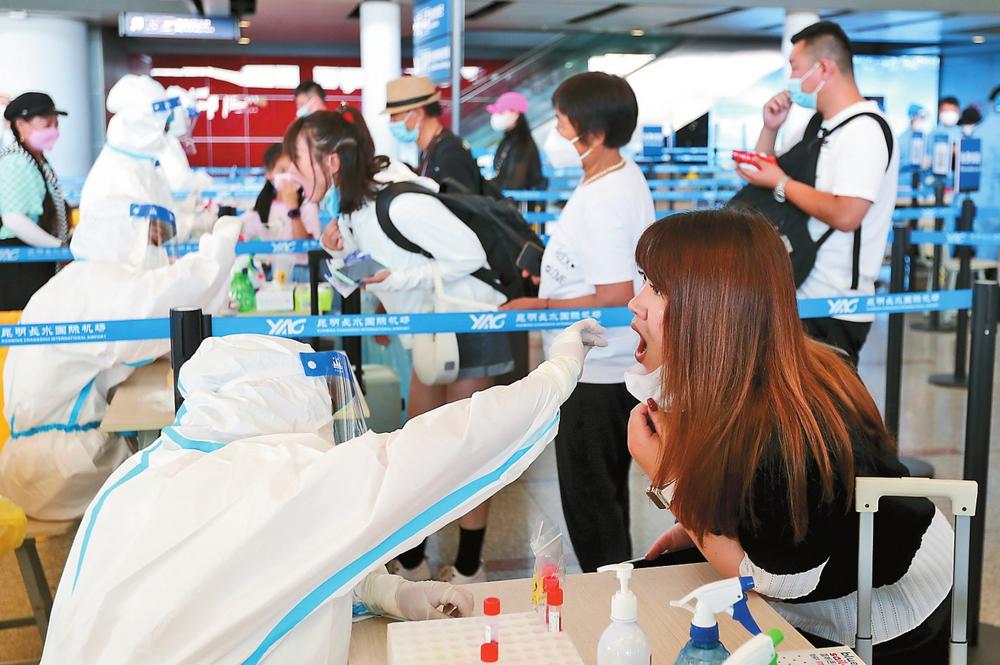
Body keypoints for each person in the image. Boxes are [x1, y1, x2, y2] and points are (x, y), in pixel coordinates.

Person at [42, 321, 606, 664]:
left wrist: (388, 593)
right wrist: (557, 372)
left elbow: (249, 581)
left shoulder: (140, 474)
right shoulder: (278, 478)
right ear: (289, 403)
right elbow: (449, 442)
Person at [627, 209, 953, 665]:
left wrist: (671, 483)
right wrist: (702, 522)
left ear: (713, 307)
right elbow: (774, 509)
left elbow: (773, 581)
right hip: (842, 562)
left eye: (657, 288)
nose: (635, 302)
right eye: (644, 280)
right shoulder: (747, 379)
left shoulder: (781, 434)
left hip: (890, 609)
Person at [285, 106, 515, 584]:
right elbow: (363, 276)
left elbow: (469, 255)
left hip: (468, 322)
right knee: (419, 445)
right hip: (429, 331)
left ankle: (468, 566)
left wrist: (397, 280)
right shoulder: (350, 206)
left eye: (299, 160)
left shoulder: (400, 201)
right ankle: (413, 558)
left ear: (331, 161)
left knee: (466, 449)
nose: (293, 173)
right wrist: (337, 254)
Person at [500, 72, 655, 573]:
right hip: (610, 364)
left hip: (595, 370)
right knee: (604, 502)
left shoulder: (606, 197)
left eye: (564, 123)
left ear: (595, 132)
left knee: (592, 510)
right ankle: (618, 590)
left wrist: (541, 305)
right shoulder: (617, 176)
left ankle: (612, 600)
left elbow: (615, 295)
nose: (557, 134)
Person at [0, 206, 241, 520]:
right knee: (179, 476)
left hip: (36, 463)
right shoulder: (97, 285)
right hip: (64, 468)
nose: (155, 247)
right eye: (151, 238)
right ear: (124, 235)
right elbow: (169, 300)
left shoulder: (72, 281)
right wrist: (222, 242)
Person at [737, 21, 898, 366]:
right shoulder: (818, 125)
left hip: (835, 304)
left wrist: (781, 182)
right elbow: (762, 176)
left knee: (826, 400)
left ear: (824, 68)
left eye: (795, 68)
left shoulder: (865, 130)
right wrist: (770, 128)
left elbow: (847, 214)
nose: (792, 79)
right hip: (800, 288)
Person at [71, 75, 180, 262]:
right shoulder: (116, 170)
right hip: (117, 272)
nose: (165, 130)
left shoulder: (141, 165)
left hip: (139, 270)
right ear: (140, 123)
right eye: (162, 123)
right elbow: (123, 241)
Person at [0, 92, 70, 310]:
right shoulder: (15, 162)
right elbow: (14, 219)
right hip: (20, 265)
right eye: (47, 125)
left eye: (56, 125)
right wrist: (60, 248)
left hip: (38, 260)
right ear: (20, 124)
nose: (54, 131)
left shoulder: (37, 160)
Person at [383, 75, 484, 195]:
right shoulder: (429, 151)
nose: (391, 123)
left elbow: (462, 202)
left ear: (418, 114)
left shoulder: (450, 152)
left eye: (394, 117)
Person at [241, 143, 322, 282]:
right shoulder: (263, 207)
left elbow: (305, 247)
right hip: (273, 274)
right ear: (269, 173)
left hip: (302, 272)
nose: (289, 176)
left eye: (293, 170)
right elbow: (241, 233)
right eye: (283, 170)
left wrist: (293, 208)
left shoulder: (308, 205)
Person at [488, 91, 544, 193]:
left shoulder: (523, 143)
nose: (496, 116)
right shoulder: (508, 140)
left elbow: (515, 184)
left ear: (515, 114)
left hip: (520, 199)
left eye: (501, 112)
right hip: (507, 196)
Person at [897, 103, 928, 185]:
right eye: (920, 117)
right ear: (912, 117)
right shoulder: (901, 140)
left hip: (921, 183)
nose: (922, 120)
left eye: (924, 118)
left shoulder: (925, 138)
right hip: (903, 183)